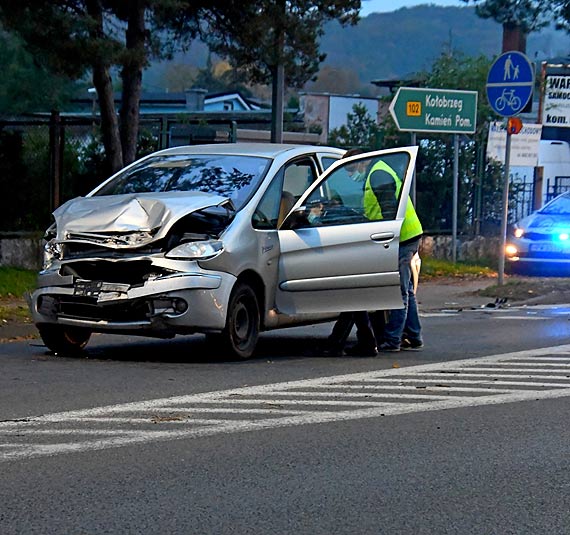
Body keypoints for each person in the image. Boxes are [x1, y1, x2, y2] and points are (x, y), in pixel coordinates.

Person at [362, 158, 424, 352]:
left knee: (399, 292)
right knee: (406, 289)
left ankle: (393, 340)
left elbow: (389, 208)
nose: (350, 176)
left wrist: (387, 239)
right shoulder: (380, 170)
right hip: (409, 234)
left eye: (350, 171)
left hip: (402, 238)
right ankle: (414, 336)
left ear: (360, 164)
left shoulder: (377, 174)